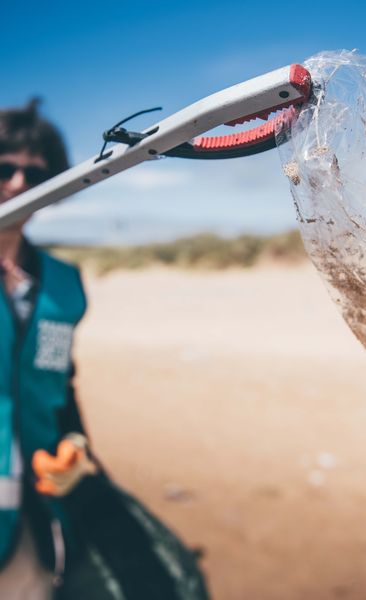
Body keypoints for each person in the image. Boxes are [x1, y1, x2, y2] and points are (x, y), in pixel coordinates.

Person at [0, 100, 210, 600]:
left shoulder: (63, 285)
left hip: (34, 503)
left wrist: (74, 441)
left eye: (35, 173)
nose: (17, 184)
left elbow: (57, 379)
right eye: (4, 167)